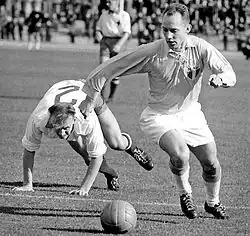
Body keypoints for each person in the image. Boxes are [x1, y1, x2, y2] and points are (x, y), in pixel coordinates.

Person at [79, 3, 236, 219]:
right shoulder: (152, 51)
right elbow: (110, 66)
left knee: (211, 163)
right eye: (165, 30)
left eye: (174, 30)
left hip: (190, 114)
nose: (169, 35)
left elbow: (229, 73)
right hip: (158, 116)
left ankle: (212, 202)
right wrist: (90, 96)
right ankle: (185, 194)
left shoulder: (201, 48)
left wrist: (222, 79)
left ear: (187, 29)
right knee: (180, 155)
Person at [12, 79, 153, 196]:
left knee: (115, 142)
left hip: (90, 97)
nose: (61, 134)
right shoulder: (39, 119)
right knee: (87, 156)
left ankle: (132, 148)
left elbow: (97, 155)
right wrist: (27, 184)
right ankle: (111, 174)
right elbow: (29, 149)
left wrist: (84, 189)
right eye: (58, 129)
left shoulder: (87, 118)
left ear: (74, 120)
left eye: (65, 129)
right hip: (64, 97)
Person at [95, 0, 131, 102]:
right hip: (105, 42)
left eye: (109, 2)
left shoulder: (124, 15)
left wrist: (119, 45)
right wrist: (99, 36)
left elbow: (127, 33)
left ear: (117, 2)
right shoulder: (104, 15)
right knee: (103, 68)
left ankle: (110, 97)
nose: (107, 4)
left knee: (115, 71)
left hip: (118, 41)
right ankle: (101, 96)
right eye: (107, 2)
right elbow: (98, 28)